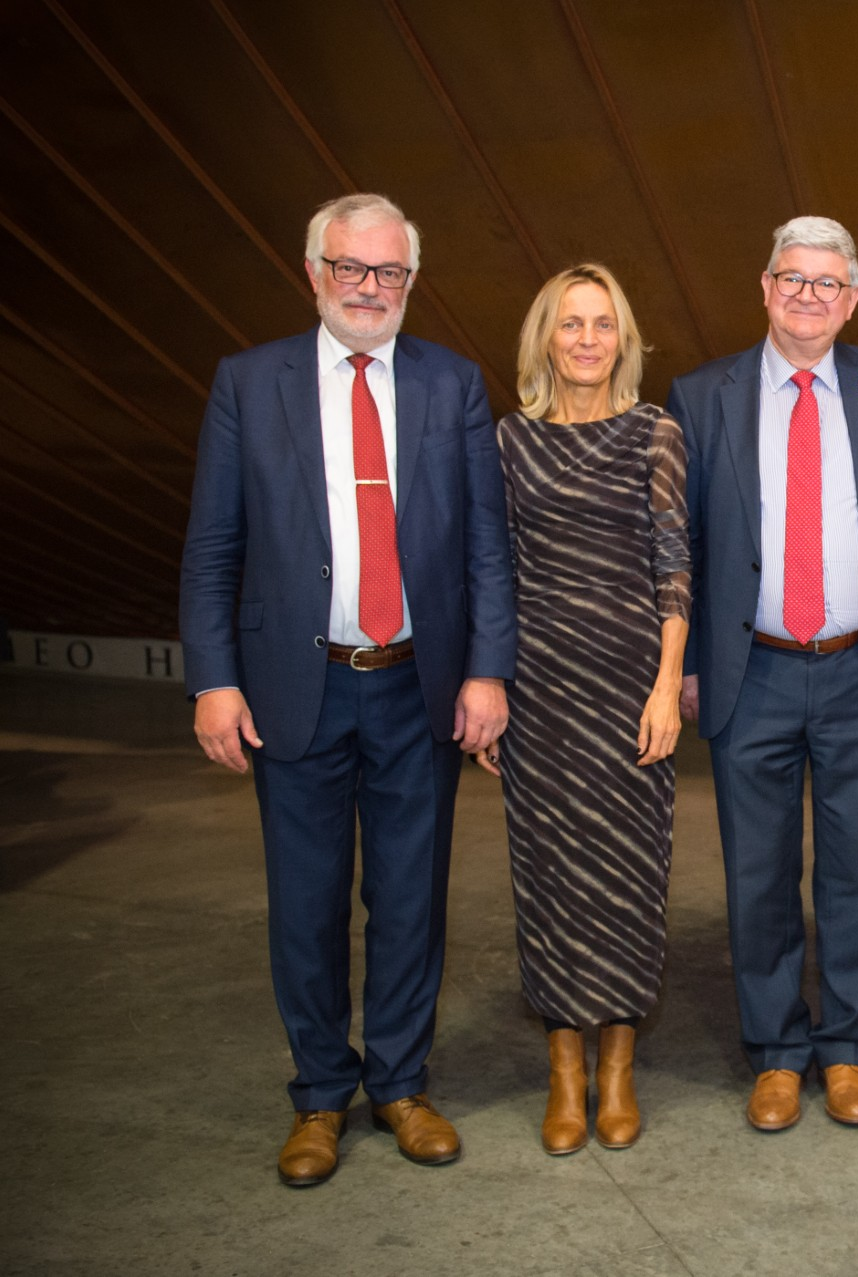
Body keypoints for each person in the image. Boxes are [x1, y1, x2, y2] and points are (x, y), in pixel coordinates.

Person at [179, 193, 515, 1186]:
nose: (369, 288)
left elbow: (487, 546)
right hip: (297, 689)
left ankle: (401, 1085)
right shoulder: (249, 383)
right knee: (306, 904)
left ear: (410, 280)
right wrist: (213, 680)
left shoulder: (453, 382)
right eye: (351, 267)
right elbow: (212, 547)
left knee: (410, 900)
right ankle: (320, 1094)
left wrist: (487, 667)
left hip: (419, 687)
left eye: (389, 271)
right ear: (314, 271)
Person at [666, 216, 858, 1132]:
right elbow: (683, 541)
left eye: (827, 283)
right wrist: (688, 661)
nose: (808, 296)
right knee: (759, 871)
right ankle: (776, 1052)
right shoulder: (702, 394)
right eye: (792, 278)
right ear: (765, 287)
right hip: (751, 671)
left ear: (851, 299)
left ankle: (848, 1045)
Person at [488, 264, 689, 1155]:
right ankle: (564, 1071)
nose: (586, 339)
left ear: (623, 339)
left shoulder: (655, 432)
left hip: (630, 692)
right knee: (550, 880)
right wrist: (490, 685)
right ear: (545, 339)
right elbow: (493, 571)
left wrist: (667, 685)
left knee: (630, 878)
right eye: (569, 324)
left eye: (603, 324)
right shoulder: (509, 441)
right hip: (538, 693)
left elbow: (674, 565)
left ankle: (618, 1067)